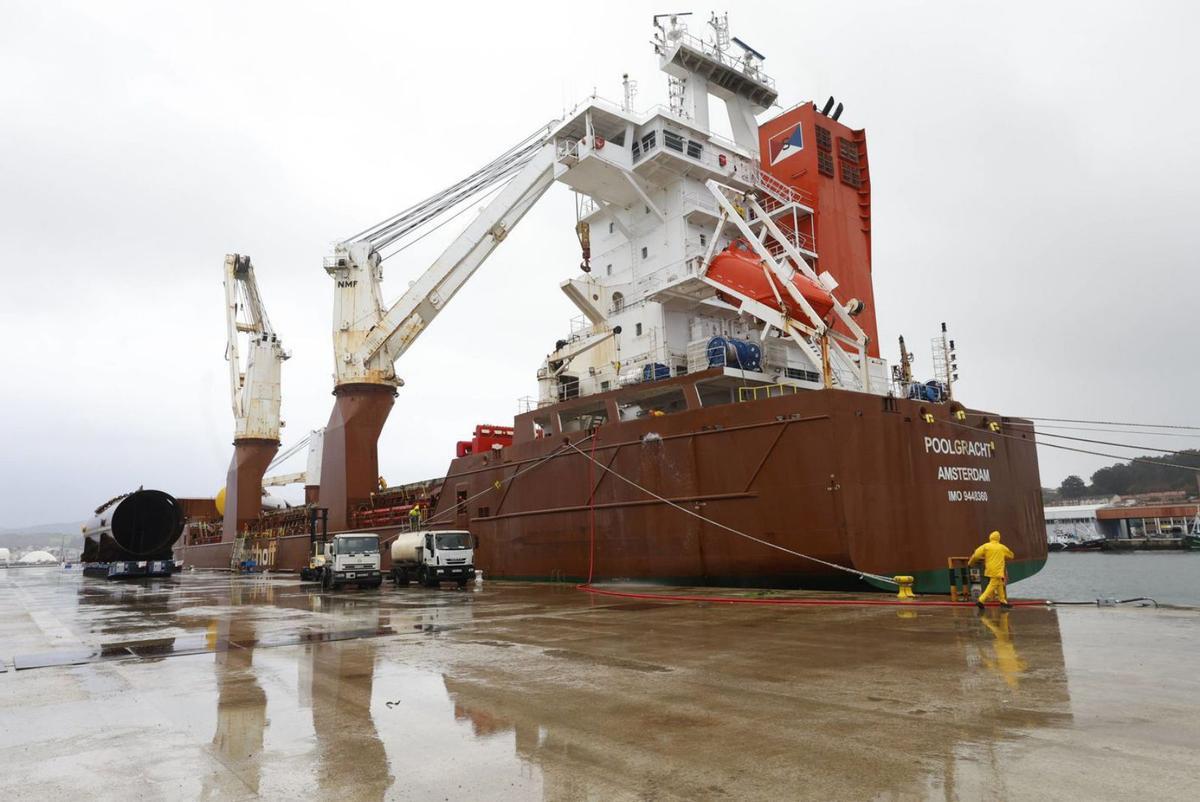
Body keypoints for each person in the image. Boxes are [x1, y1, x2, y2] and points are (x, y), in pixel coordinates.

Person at [968, 530, 1015, 610]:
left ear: (990, 537)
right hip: (998, 570)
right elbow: (1011, 555)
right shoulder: (1002, 547)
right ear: (998, 538)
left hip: (990, 569)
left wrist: (970, 563)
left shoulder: (986, 546)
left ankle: (1003, 601)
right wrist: (1004, 556)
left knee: (999, 583)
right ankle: (981, 600)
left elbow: (976, 555)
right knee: (992, 585)